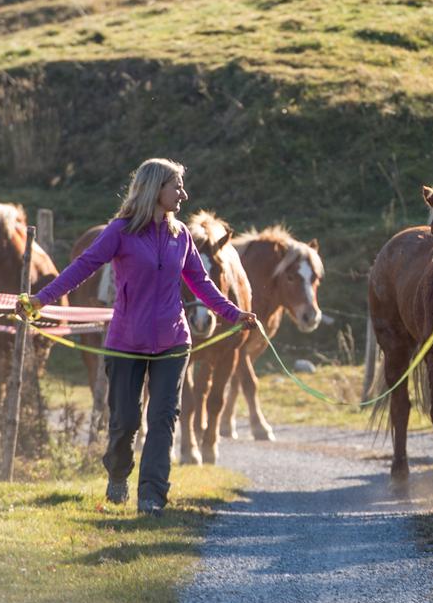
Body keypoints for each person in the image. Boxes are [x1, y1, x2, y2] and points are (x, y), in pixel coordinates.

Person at [20, 159, 256, 516]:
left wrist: (233, 313)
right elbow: (83, 267)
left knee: (163, 418)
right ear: (154, 189)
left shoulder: (182, 236)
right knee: (126, 420)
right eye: (176, 187)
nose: (183, 194)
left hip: (174, 341)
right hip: (126, 342)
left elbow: (200, 282)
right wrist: (42, 299)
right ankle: (117, 473)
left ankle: (152, 497)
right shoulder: (120, 231)